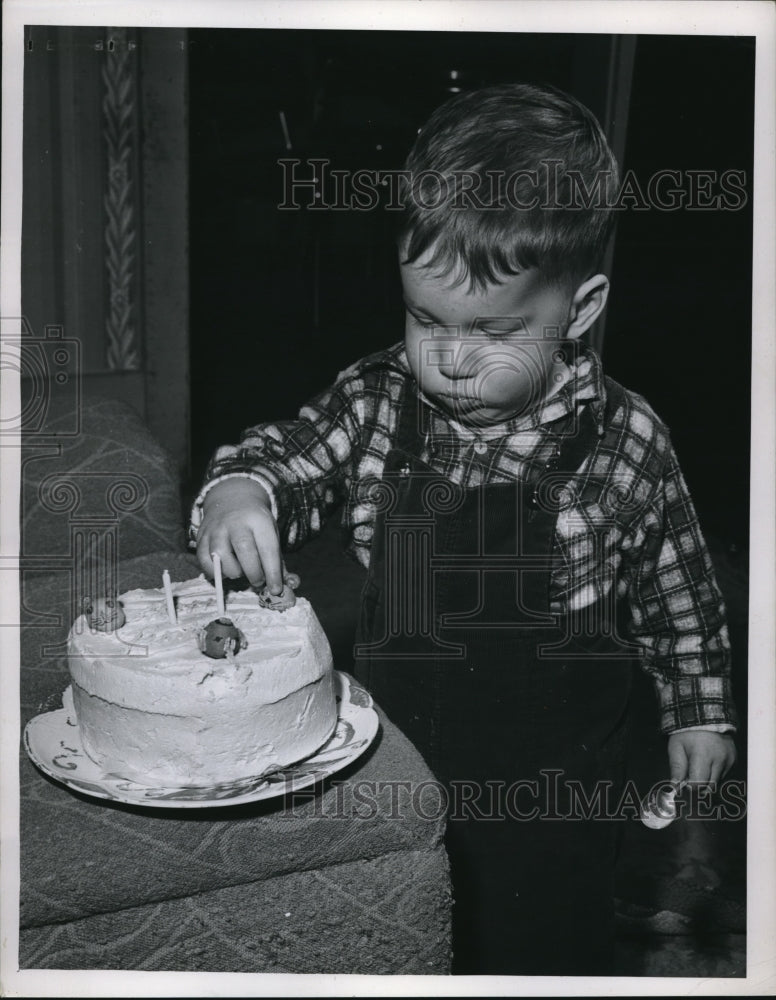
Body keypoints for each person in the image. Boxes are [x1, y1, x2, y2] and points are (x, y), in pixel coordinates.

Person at [189, 83, 737, 975]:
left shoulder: (628, 442)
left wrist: (701, 713)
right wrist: (240, 490)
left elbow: (684, 600)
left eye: (492, 331)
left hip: (554, 798)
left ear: (581, 308)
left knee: (539, 948)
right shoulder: (373, 401)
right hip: (391, 767)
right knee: (386, 939)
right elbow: (285, 455)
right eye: (425, 319)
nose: (448, 357)